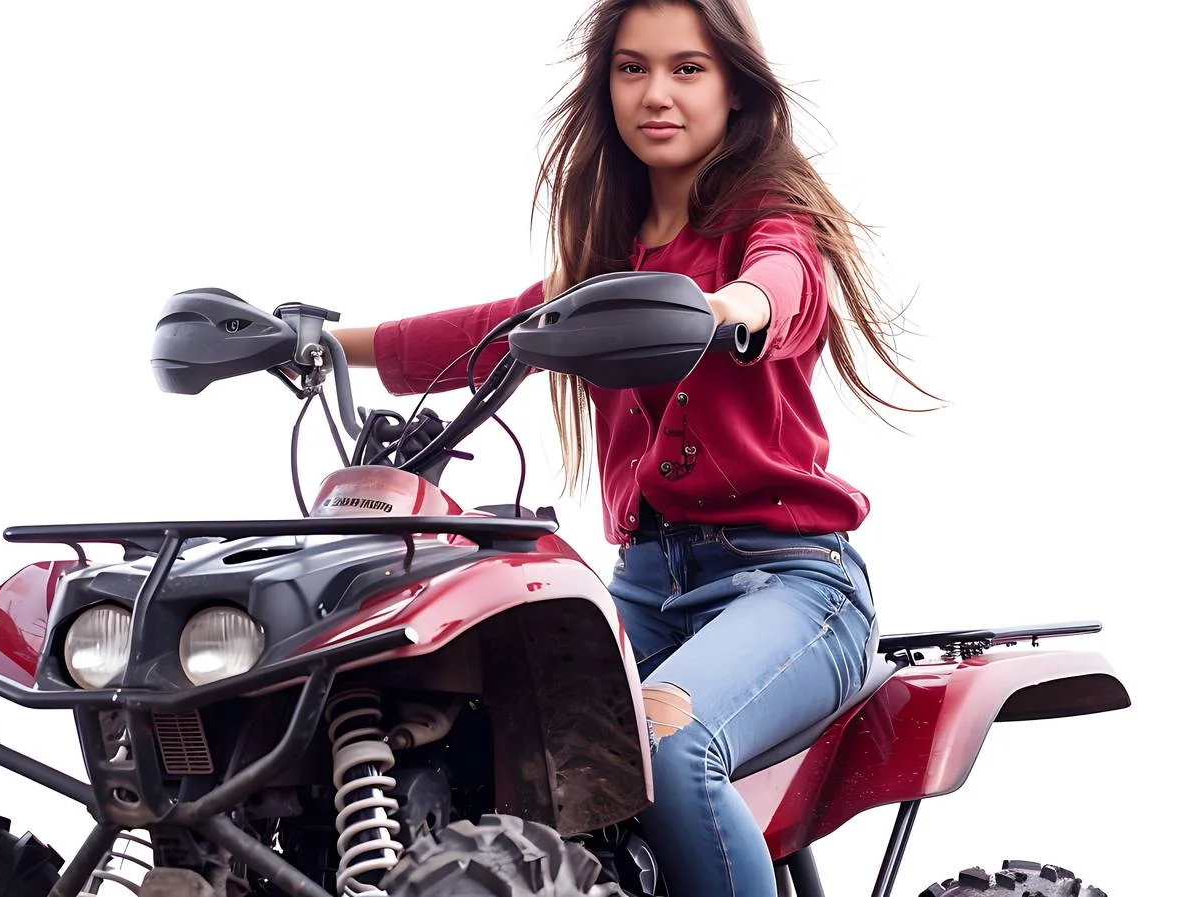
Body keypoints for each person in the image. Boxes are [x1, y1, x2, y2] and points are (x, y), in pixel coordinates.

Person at [329, 1, 937, 894]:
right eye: (632, 68)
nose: (657, 92)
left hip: (791, 581)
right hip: (642, 590)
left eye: (688, 68)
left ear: (736, 88)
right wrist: (312, 338)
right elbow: (489, 330)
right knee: (489, 748)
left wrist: (733, 308)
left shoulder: (770, 221)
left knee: (668, 744)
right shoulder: (605, 263)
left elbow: (786, 281)